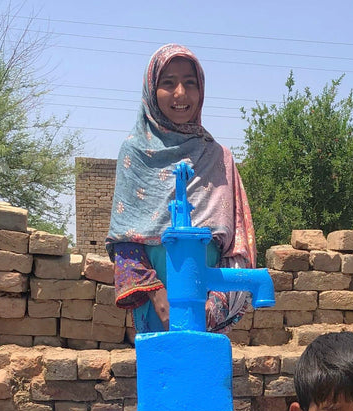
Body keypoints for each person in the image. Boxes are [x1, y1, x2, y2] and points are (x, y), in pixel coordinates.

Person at [106, 43, 256, 338]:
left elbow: (237, 245)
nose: (180, 94)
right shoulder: (134, 153)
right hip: (155, 306)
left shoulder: (218, 158)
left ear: (201, 90)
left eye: (190, 83)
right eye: (168, 83)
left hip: (210, 304)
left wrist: (213, 306)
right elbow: (124, 242)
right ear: (151, 89)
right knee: (161, 379)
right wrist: (162, 303)